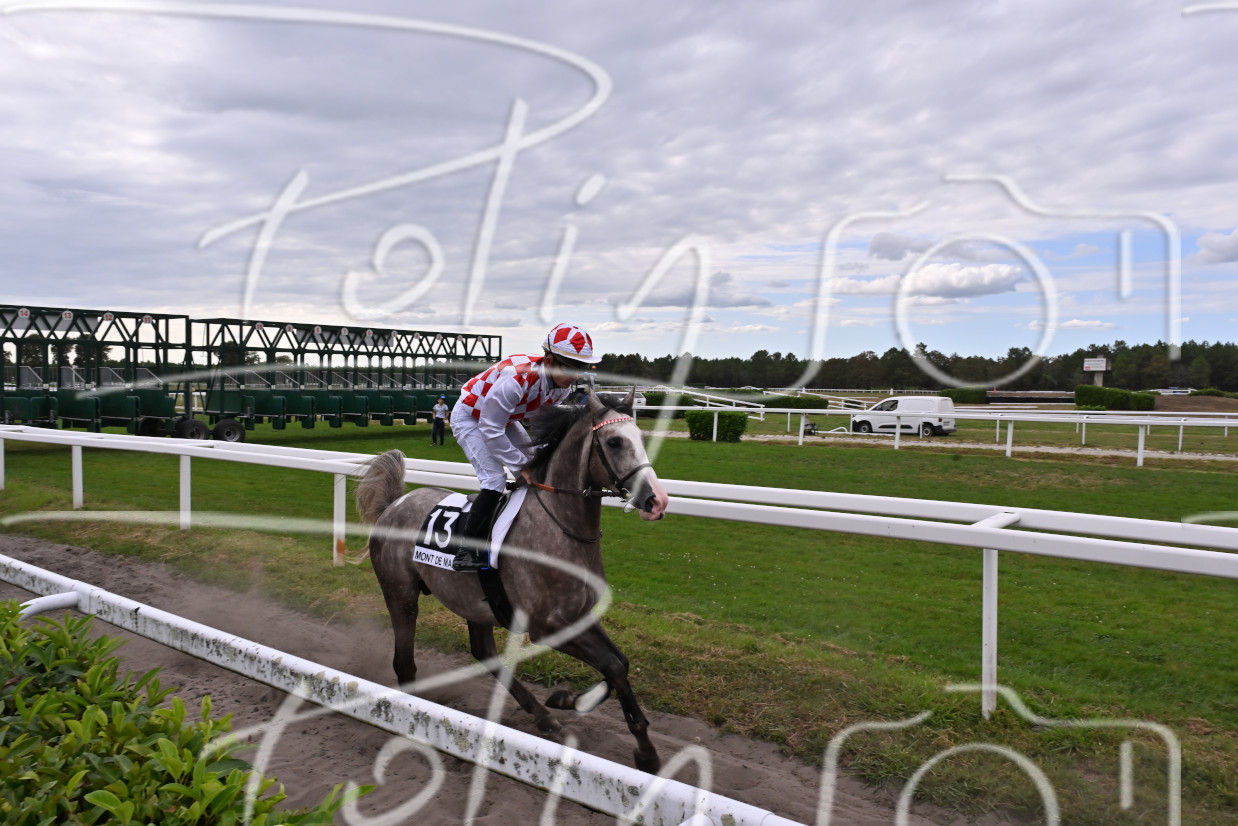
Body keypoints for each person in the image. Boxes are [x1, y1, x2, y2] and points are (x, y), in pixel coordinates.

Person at [449, 323, 600, 571]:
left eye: (580, 368)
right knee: (494, 479)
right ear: (549, 361)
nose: (575, 376)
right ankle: (466, 550)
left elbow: (539, 424)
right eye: (570, 367)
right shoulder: (515, 380)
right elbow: (490, 429)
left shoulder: (560, 387)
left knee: (537, 468)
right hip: (471, 417)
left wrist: (542, 458)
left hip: (505, 419)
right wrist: (521, 467)